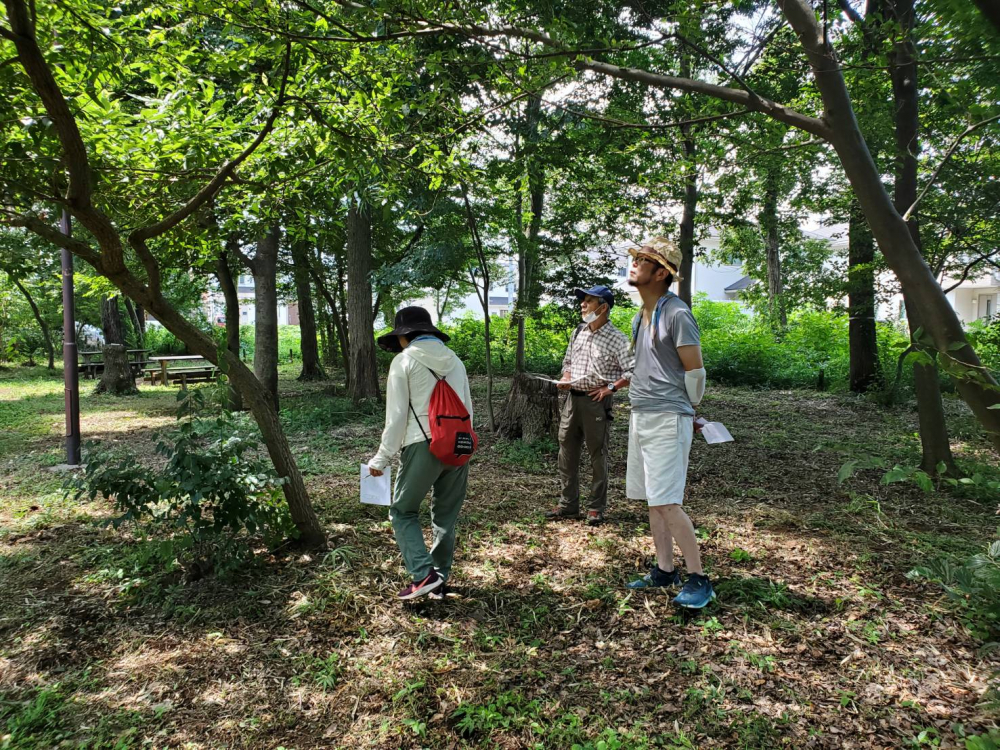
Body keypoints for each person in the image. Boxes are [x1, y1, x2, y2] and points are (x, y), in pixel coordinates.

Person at [623, 238, 714, 609]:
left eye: (644, 260)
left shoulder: (676, 313)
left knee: (667, 501)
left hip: (667, 417)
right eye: (636, 258)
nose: (634, 264)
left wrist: (690, 410)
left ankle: (699, 578)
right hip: (641, 414)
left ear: (662, 273)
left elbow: (696, 370)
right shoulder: (638, 316)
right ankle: (664, 569)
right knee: (652, 499)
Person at [368, 306, 473, 601]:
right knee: (445, 517)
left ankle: (423, 574)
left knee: (402, 512)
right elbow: (467, 409)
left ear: (405, 336)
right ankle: (439, 579)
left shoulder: (404, 362)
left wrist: (381, 458)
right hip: (459, 446)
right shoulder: (456, 362)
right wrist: (466, 448)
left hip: (422, 444)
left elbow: (397, 416)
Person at [546, 285, 634, 526]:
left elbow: (634, 370)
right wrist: (565, 378)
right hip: (572, 401)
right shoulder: (579, 332)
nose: (582, 305)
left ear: (603, 307)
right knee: (566, 452)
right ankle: (568, 505)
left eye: (589, 301)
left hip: (597, 403)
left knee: (597, 454)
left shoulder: (618, 339)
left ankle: (596, 507)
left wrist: (611, 388)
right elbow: (568, 361)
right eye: (582, 301)